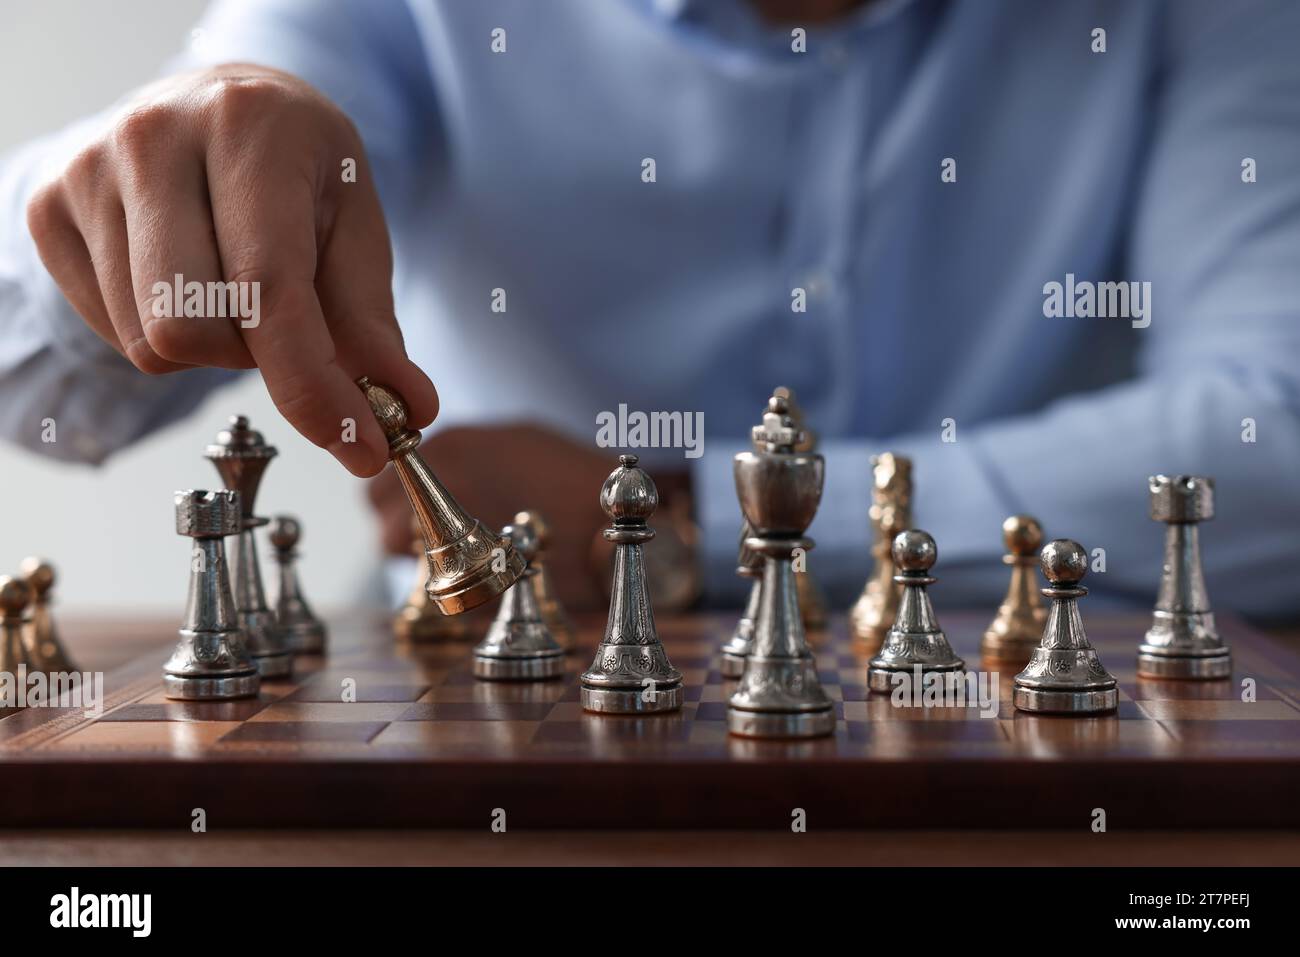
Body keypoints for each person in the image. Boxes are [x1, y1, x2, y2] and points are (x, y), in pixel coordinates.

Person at [1, 0, 1298, 617]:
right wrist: (134, 200)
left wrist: (667, 521)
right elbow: (42, 400)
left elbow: (1274, 441)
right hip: (488, 709)